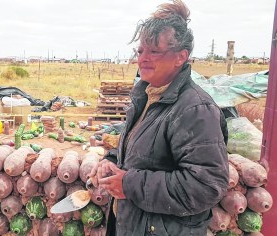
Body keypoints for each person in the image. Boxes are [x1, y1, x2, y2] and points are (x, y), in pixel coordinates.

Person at [89, 1, 229, 235]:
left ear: (180, 57)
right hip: (135, 223)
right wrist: (111, 159)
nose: (143, 58)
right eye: (140, 50)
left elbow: (206, 186)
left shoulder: (195, 110)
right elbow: (141, 153)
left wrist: (129, 185)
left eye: (154, 51)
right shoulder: (147, 97)